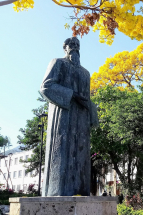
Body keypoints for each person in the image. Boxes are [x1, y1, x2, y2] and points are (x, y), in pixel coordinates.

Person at [41, 37, 98, 197]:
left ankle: (80, 190)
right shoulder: (58, 62)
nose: (75, 47)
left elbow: (86, 97)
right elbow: (46, 86)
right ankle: (56, 192)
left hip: (81, 119)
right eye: (71, 45)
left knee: (81, 154)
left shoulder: (85, 73)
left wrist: (92, 110)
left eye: (77, 45)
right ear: (65, 48)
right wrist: (71, 95)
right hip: (63, 115)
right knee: (62, 151)